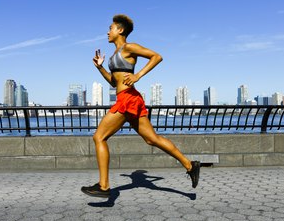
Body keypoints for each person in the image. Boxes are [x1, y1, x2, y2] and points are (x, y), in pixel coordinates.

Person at [81, 14, 200, 198]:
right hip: (128, 97)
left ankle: (104, 186)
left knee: (99, 137)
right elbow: (114, 83)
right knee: (152, 139)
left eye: (111, 28)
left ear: (120, 30)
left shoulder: (129, 47)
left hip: (128, 98)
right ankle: (190, 165)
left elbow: (156, 56)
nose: (107, 32)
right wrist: (100, 68)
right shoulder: (114, 55)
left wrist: (138, 75)